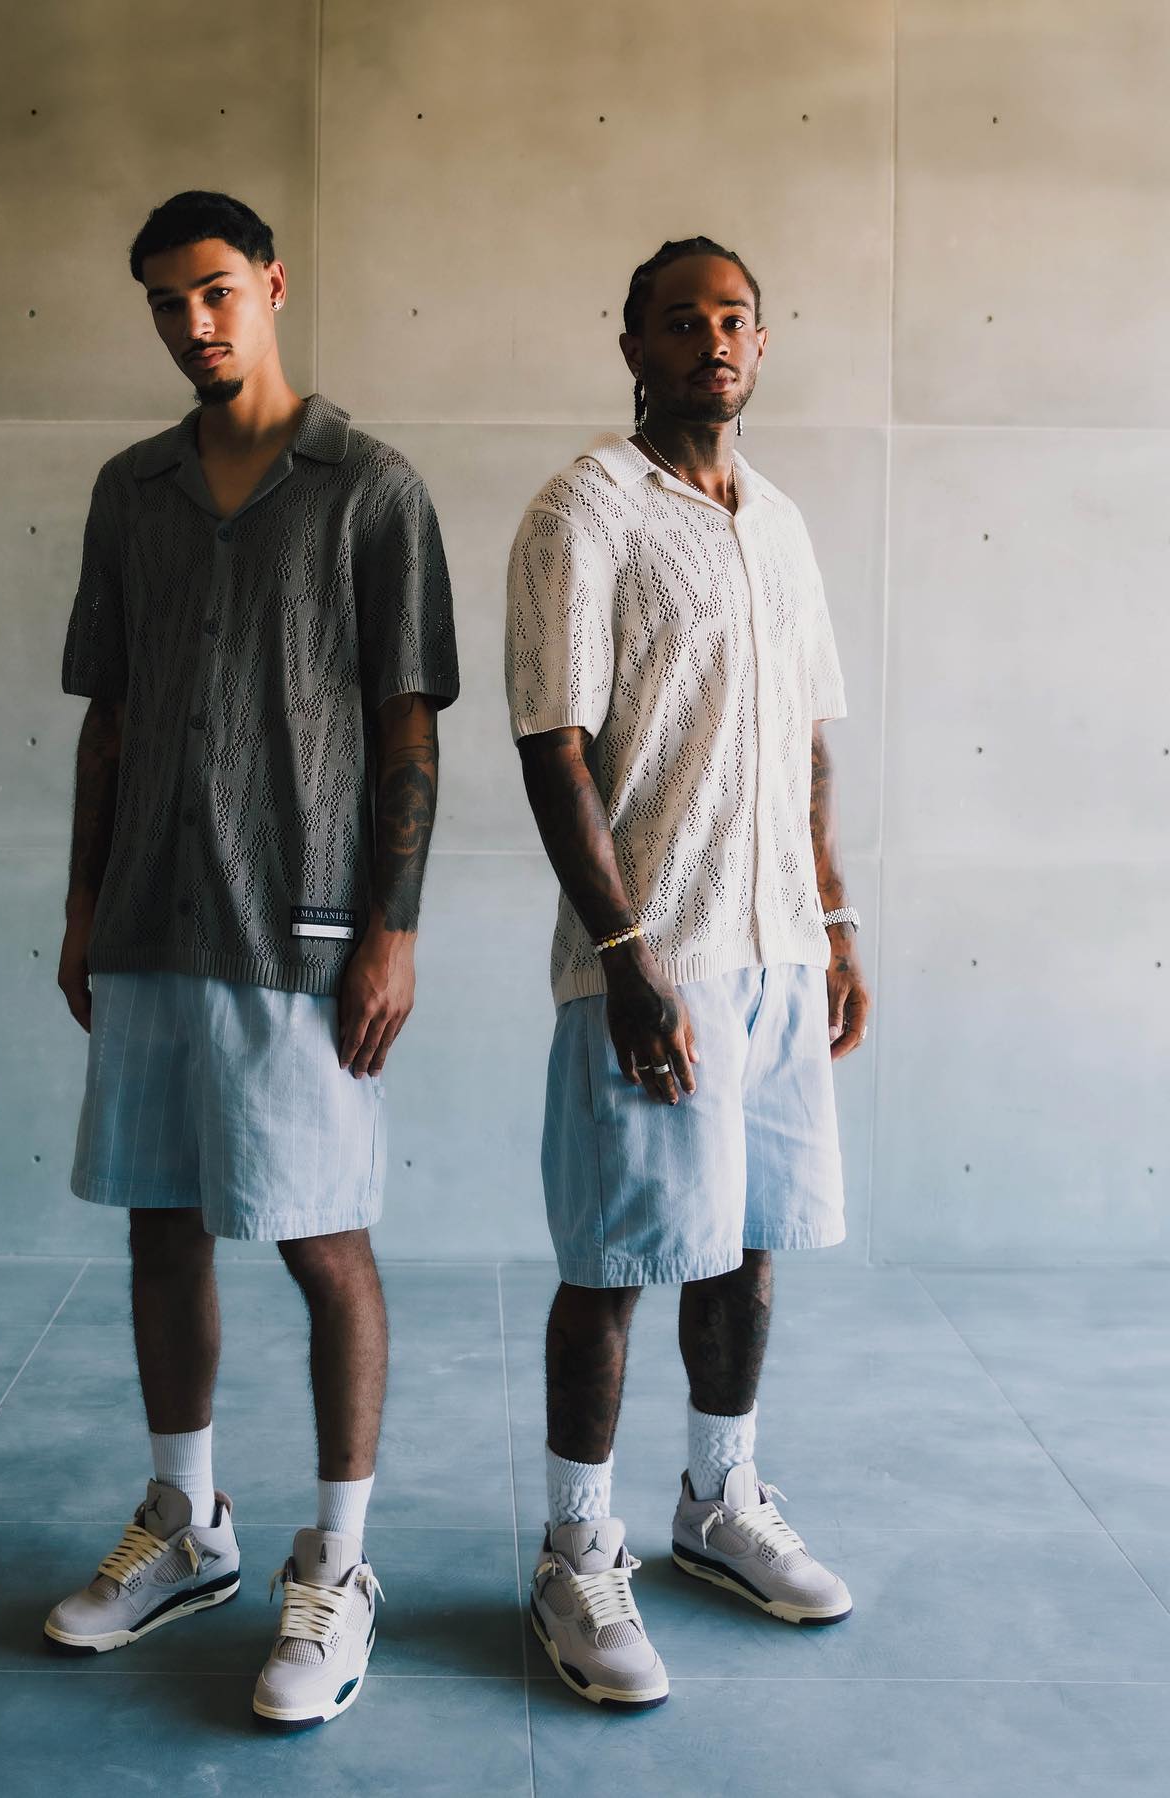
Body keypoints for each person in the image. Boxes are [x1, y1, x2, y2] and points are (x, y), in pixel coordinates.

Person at [43, 191, 458, 1730]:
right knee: (161, 1224)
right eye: (167, 301)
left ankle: (338, 1562)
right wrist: (82, 904)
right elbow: (110, 713)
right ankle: (187, 1521)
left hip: (305, 927)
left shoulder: (373, 490)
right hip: (149, 915)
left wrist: (394, 927)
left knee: (319, 1237)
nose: (193, 323)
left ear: (274, 285)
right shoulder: (132, 491)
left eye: (215, 291)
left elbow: (408, 722)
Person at [504, 236, 871, 1709]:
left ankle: (718, 1499)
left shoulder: (779, 521)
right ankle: (574, 1547)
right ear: (634, 347)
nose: (712, 340)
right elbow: (553, 746)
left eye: (734, 319)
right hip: (654, 957)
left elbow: (810, 741)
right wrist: (625, 955)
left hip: (779, 950)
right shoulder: (584, 510)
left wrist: (836, 919)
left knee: (750, 1240)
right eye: (681, 320)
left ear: (761, 345)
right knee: (615, 1257)